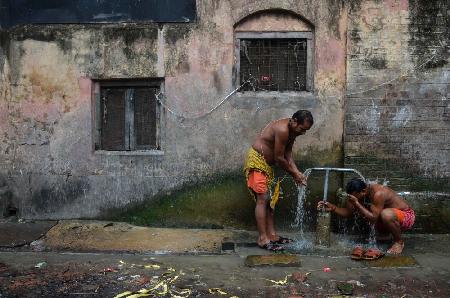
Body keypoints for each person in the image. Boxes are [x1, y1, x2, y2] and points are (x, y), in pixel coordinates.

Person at [243, 110, 314, 251]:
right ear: (294, 121)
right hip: (257, 162)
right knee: (262, 199)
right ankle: (263, 239)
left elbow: (288, 154)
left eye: (306, 131)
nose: (303, 133)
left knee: (270, 201)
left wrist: (298, 173)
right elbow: (279, 158)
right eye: (302, 129)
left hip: (266, 166)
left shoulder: (292, 132)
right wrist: (294, 174)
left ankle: (272, 235)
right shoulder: (282, 130)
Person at [317, 178, 415, 255]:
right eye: (352, 197)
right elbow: (348, 213)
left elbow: (373, 218)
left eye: (356, 197)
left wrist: (357, 204)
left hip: (406, 216)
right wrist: (333, 207)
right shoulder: (355, 194)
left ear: (363, 191)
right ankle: (384, 235)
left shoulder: (378, 193)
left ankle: (399, 242)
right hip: (384, 220)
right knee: (378, 213)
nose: (354, 199)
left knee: (386, 214)